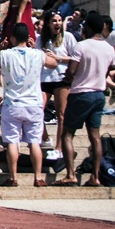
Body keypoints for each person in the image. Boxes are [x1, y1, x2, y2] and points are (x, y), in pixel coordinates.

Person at [0, 22, 58, 187]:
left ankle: (13, 177)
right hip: (34, 104)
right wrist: (36, 47)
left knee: (12, 142)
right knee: (34, 142)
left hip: (12, 104)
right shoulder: (37, 54)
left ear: (13, 38)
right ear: (28, 38)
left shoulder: (5, 55)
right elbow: (54, 63)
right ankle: (38, 177)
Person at [55, 13, 115, 186]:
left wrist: (68, 79)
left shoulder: (81, 46)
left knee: (67, 134)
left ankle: (70, 174)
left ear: (88, 27)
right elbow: (111, 68)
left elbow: (71, 72)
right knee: (95, 136)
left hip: (81, 93)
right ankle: (95, 177)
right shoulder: (108, 48)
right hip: (99, 94)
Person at [37, 11, 77, 162]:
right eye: (54, 21)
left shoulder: (68, 37)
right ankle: (45, 138)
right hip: (44, 78)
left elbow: (76, 57)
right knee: (37, 109)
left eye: (60, 21)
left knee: (61, 114)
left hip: (62, 77)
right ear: (48, 23)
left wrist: (58, 58)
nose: (58, 24)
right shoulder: (40, 39)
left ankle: (59, 148)